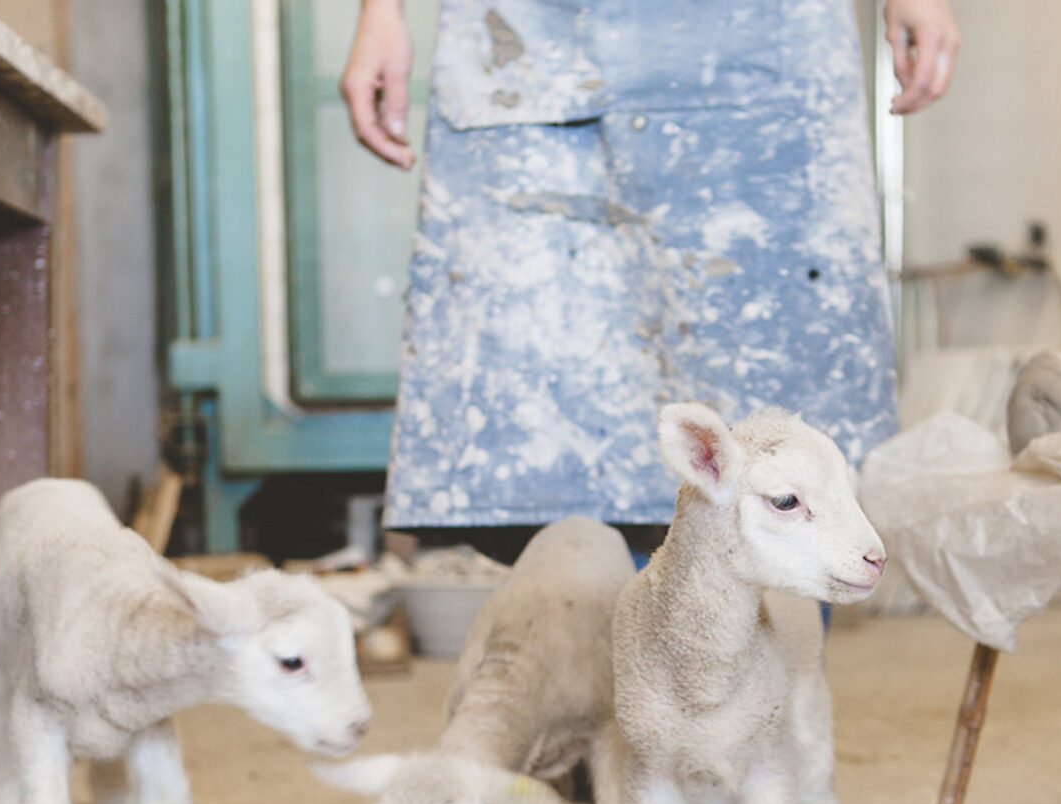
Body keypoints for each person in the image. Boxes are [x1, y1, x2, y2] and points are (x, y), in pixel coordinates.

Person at [343, 0, 959, 542]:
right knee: (549, 426)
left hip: (765, 42)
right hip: (534, 37)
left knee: (782, 453)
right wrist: (380, 10)